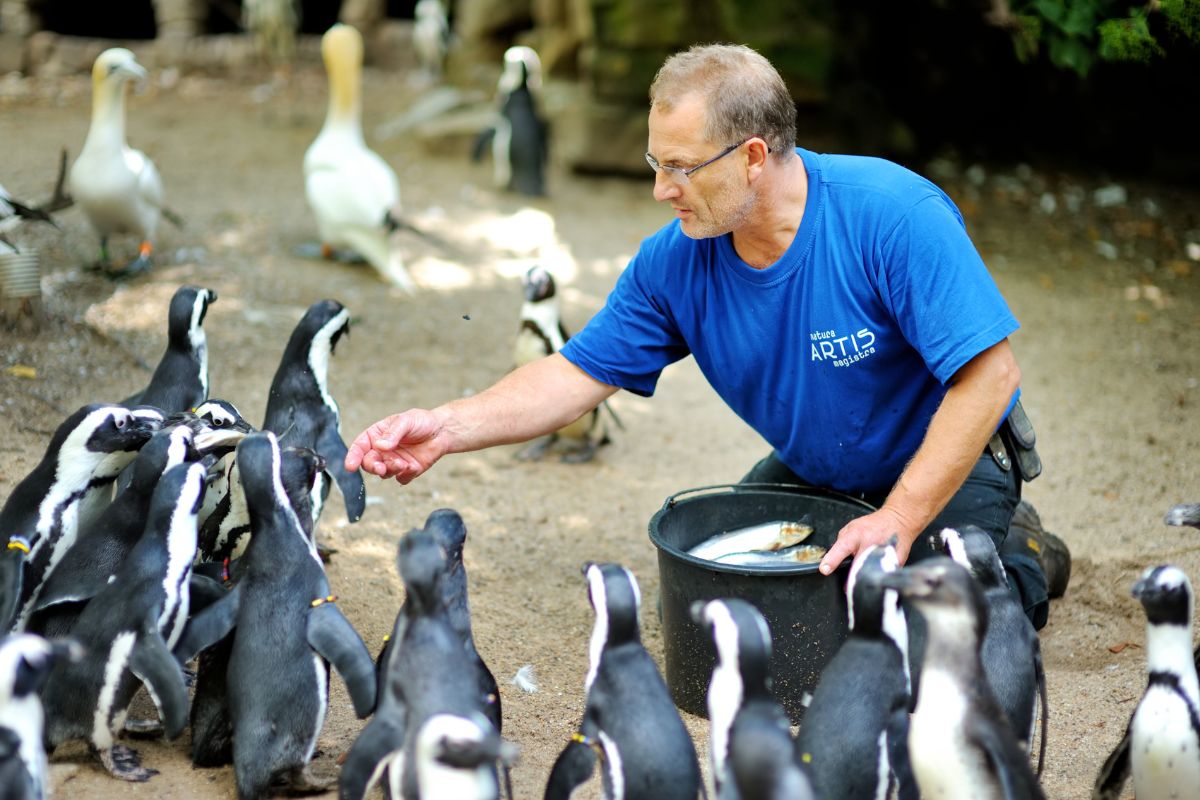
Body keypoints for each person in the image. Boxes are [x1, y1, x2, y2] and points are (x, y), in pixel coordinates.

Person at [344, 43, 1068, 628]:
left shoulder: (892, 215)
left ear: (754, 157)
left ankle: (1026, 552)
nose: (662, 189)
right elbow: (572, 375)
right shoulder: (675, 259)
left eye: (682, 167)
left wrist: (902, 517)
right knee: (734, 601)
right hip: (821, 468)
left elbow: (991, 376)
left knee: (930, 622)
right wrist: (444, 426)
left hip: (953, 458)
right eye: (657, 163)